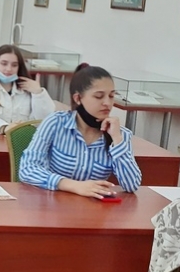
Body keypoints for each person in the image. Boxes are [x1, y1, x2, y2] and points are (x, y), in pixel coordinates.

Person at [19, 64, 142, 197]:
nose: (107, 103)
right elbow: (27, 169)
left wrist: (117, 140)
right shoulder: (56, 123)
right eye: (99, 96)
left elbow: (132, 185)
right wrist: (73, 185)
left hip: (94, 207)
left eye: (111, 96)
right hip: (53, 203)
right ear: (78, 98)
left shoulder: (119, 134)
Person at [0, 45, 56, 134]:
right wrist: (4, 127)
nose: (9, 69)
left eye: (14, 65)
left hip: (22, 140)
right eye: (4, 64)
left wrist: (38, 93)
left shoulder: (28, 91)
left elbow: (45, 120)